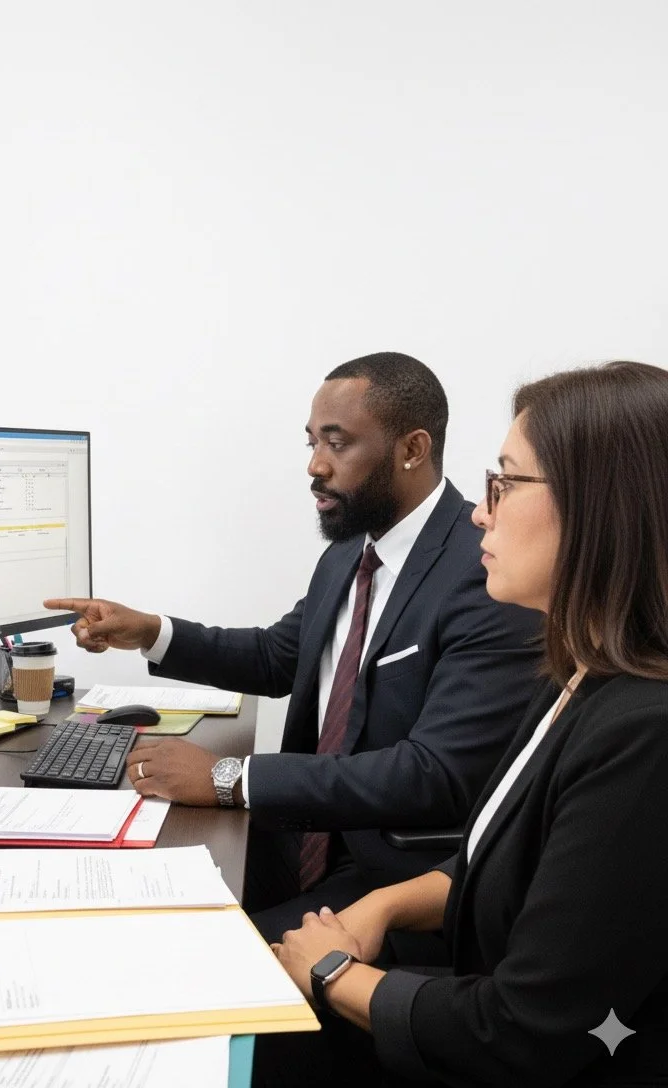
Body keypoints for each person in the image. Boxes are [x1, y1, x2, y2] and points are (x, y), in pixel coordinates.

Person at [45, 352, 541, 944]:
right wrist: (150, 630)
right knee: (112, 904)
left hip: (384, 872)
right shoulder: (351, 550)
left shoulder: (485, 570)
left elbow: (432, 774)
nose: (315, 465)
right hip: (298, 835)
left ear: (412, 449)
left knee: (180, 950)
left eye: (337, 444)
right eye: (312, 442)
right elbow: (280, 655)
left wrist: (233, 777)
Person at [264, 360, 668, 1087]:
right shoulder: (579, 678)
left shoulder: (645, 734)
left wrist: (327, 970)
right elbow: (516, 866)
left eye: (506, 483)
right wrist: (384, 903)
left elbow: (521, 1034)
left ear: (602, 506)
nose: (481, 511)